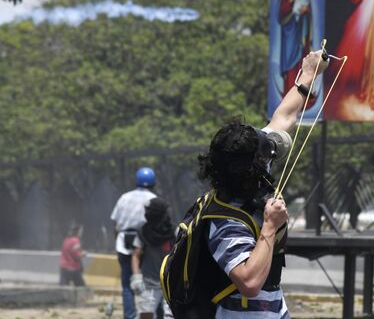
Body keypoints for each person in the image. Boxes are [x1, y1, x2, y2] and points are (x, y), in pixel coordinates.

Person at [191, 50, 326, 318]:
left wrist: (309, 72)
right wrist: (270, 225)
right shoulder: (226, 219)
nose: (270, 153)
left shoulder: (245, 170)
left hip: (274, 308)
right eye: (265, 153)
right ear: (253, 166)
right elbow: (249, 282)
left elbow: (283, 117)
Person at [111, 167, 158, 319]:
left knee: (127, 284)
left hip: (123, 244)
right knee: (148, 282)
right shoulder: (153, 199)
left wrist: (118, 244)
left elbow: (116, 226)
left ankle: (129, 316)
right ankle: (149, 313)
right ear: (153, 183)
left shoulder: (124, 197)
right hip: (144, 245)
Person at [130, 198, 175, 319]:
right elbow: (136, 255)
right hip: (148, 283)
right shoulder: (143, 232)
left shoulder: (172, 233)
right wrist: (136, 277)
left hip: (169, 283)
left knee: (170, 316)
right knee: (146, 315)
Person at [278, 0, 312, 101]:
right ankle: (287, 93)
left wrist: (306, 11)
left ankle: (299, 96)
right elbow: (281, 10)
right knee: (290, 63)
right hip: (289, 29)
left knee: (300, 61)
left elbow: (308, 6)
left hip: (299, 28)